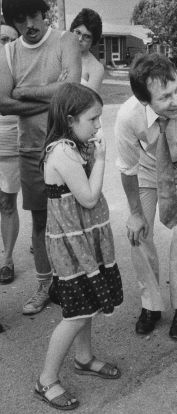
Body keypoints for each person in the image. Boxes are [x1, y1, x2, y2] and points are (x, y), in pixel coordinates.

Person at [34, 83, 123, 411]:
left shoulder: (75, 145)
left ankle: (83, 359)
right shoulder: (63, 152)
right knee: (75, 313)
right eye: (93, 119)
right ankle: (46, 379)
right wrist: (101, 159)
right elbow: (87, 197)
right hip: (73, 245)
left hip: (84, 238)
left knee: (88, 305)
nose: (99, 125)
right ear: (70, 119)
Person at [115, 53, 177, 340]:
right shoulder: (128, 116)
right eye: (165, 97)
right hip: (146, 171)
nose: (176, 101)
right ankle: (151, 304)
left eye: (176, 90)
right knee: (139, 233)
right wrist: (134, 213)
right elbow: (127, 169)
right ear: (145, 101)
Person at [0, 0, 81, 315]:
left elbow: (72, 87)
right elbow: (3, 104)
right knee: (40, 220)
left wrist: (26, 90)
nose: (29, 24)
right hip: (31, 148)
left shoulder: (65, 40)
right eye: (21, 19)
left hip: (69, 145)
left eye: (34, 15)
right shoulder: (8, 52)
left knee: (73, 217)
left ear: (43, 12)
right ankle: (44, 286)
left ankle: (74, 280)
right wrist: (52, 96)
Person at [0, 24, 20, 287]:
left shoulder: (23, 72)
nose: (5, 43)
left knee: (7, 203)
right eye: (1, 38)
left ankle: (7, 259)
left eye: (10, 39)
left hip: (15, 147)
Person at [70, 8, 104, 93]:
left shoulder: (96, 68)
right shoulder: (60, 54)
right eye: (78, 32)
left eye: (87, 36)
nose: (80, 39)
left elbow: (89, 103)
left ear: (93, 40)